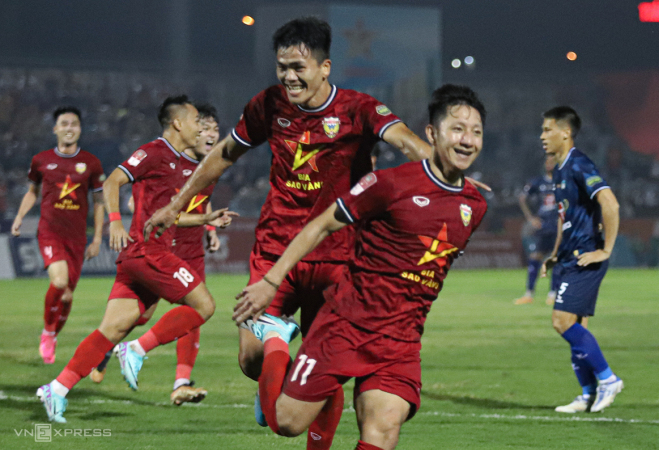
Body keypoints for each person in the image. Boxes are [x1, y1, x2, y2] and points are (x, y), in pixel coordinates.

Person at [143, 16, 460, 450]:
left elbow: (406, 142)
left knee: (324, 370)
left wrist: (444, 175)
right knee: (251, 359)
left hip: (341, 257)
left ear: (324, 68)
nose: (290, 76)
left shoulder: (358, 109)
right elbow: (224, 153)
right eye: (283, 67)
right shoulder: (268, 105)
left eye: (299, 67)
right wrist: (177, 203)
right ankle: (275, 347)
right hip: (276, 250)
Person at [232, 84, 487, 450]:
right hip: (345, 327)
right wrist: (271, 281)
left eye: (476, 132)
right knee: (286, 423)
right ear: (432, 134)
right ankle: (274, 336)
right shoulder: (388, 184)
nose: (467, 140)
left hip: (401, 340)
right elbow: (320, 224)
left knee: (383, 428)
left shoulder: (474, 206)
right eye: (458, 129)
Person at [37, 96, 236, 423]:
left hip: (139, 256)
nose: (199, 125)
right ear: (178, 123)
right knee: (204, 307)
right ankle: (137, 350)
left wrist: (204, 219)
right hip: (149, 252)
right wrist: (115, 220)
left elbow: (168, 215)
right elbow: (113, 180)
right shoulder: (154, 152)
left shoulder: (181, 162)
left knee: (111, 329)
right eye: (195, 119)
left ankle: (56, 389)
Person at [89, 104, 224, 406]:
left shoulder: (210, 168)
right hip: (159, 248)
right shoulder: (166, 160)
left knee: (196, 312)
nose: (211, 135)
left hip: (190, 251)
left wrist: (210, 229)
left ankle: (181, 382)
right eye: (205, 128)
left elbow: (203, 201)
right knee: (140, 316)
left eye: (216, 130)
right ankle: (112, 346)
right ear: (192, 130)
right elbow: (150, 207)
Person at [539, 106, 623, 413]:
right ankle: (587, 394)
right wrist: (554, 255)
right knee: (577, 327)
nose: (542, 136)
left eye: (547, 129)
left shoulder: (579, 164)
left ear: (565, 132)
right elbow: (566, 218)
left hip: (586, 258)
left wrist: (606, 249)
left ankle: (608, 379)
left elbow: (609, 204)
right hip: (569, 257)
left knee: (561, 322)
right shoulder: (560, 170)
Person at [11, 106, 105, 364]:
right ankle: (48, 331)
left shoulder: (92, 163)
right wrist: (20, 216)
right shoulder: (41, 160)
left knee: (66, 296)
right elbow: (32, 191)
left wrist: (97, 239)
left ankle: (52, 334)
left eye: (74, 123)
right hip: (50, 232)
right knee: (59, 281)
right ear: (55, 129)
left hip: (77, 238)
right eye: (64, 123)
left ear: (80, 129)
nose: (69, 128)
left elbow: (99, 203)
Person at [514, 154, 559, 305]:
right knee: (535, 257)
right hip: (544, 225)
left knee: (556, 259)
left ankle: (553, 295)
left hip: (558, 225)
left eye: (552, 162)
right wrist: (531, 218)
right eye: (547, 162)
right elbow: (522, 198)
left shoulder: (563, 181)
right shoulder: (538, 182)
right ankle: (529, 294)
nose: (549, 164)